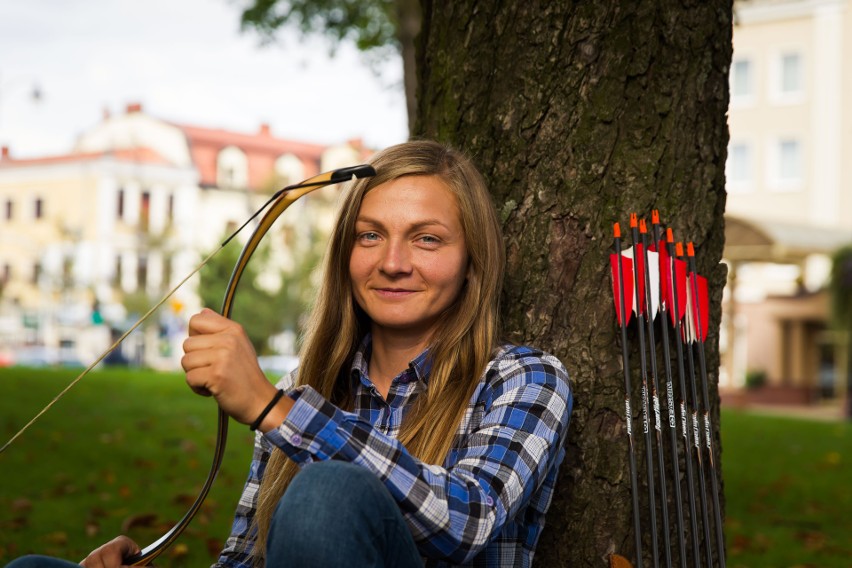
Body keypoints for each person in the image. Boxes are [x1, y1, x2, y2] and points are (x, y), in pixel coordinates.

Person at [7, 140, 573, 568]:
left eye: (426, 239)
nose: (393, 262)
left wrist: (273, 409)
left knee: (330, 493)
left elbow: (468, 521)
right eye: (370, 235)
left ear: (473, 260)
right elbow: (243, 559)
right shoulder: (310, 382)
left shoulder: (524, 378)